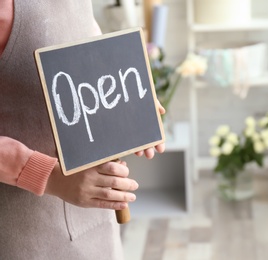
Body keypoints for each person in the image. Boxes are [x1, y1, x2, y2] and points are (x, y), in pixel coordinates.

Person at [0, 0, 165, 259]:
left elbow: (84, 38)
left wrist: (129, 92)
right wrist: (50, 176)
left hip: (96, 223)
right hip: (21, 231)